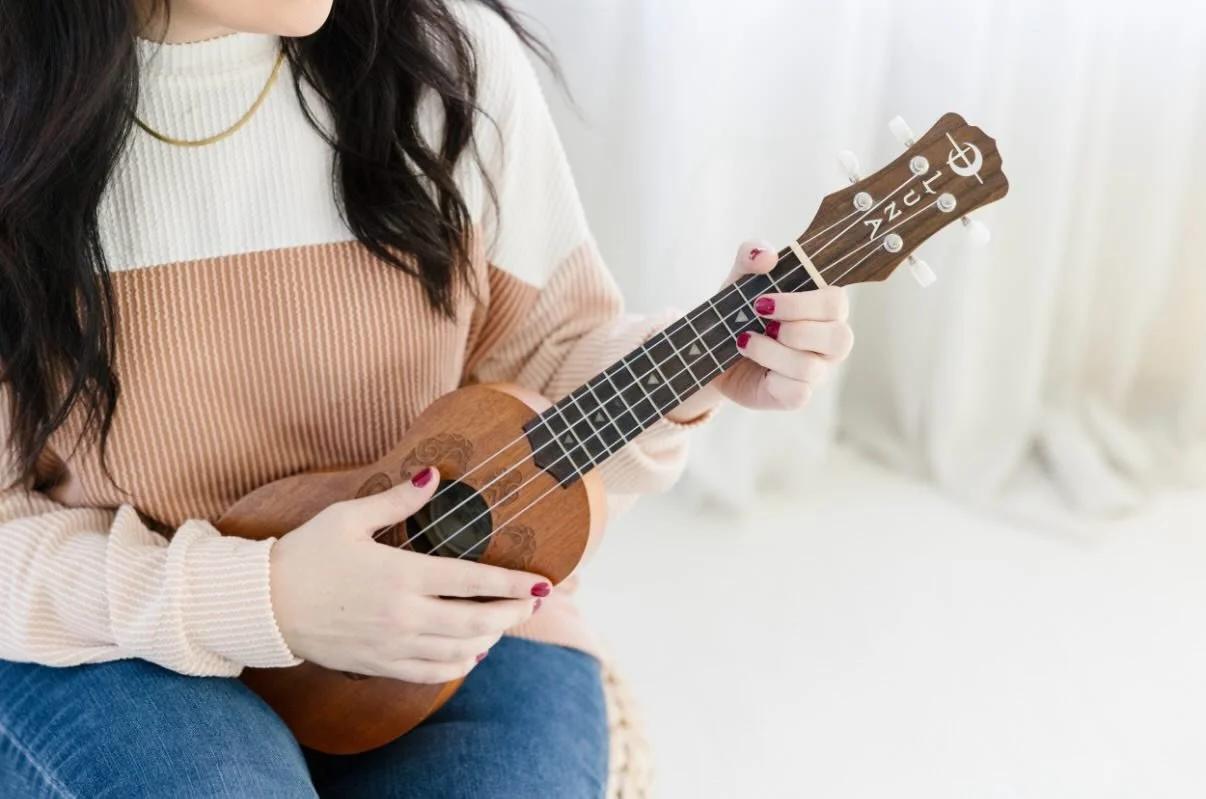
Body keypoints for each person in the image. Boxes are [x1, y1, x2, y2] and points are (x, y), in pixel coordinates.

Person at [0, 0, 855, 796]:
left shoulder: (447, 67)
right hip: (104, 633)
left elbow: (539, 377)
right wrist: (264, 595)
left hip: (454, 609)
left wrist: (698, 367)